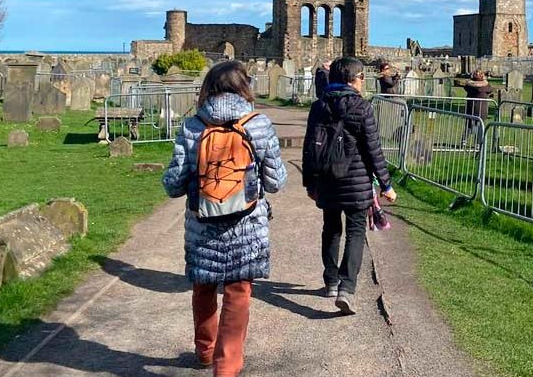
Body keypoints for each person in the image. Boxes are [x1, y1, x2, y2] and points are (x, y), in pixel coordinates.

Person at [162, 61, 287, 377]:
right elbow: (276, 182)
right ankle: (227, 366)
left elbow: (173, 184)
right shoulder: (258, 124)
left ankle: (205, 351)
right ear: (245, 87)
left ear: (208, 87)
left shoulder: (193, 126)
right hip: (245, 226)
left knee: (203, 288)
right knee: (238, 292)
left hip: (202, 226)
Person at [303, 57, 397, 314]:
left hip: (326, 179)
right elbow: (373, 149)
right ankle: (346, 288)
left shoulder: (319, 106)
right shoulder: (362, 107)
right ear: (354, 80)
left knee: (331, 229)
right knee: (356, 232)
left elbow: (309, 147)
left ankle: (331, 281)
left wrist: (309, 182)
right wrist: (386, 185)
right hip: (356, 181)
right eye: (361, 78)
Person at [460, 69, 492, 146]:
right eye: (476, 74)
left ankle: (477, 143)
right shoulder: (471, 85)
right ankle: (465, 141)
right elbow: (486, 89)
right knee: (470, 126)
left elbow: (488, 89)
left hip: (481, 109)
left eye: (478, 74)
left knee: (479, 126)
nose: (477, 75)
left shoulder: (485, 85)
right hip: (472, 108)